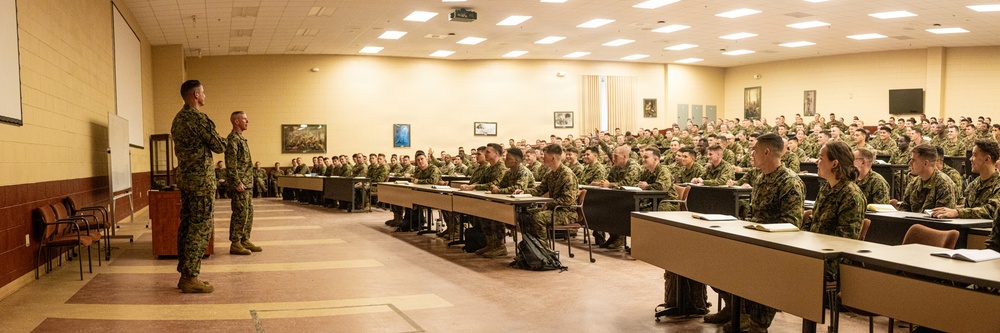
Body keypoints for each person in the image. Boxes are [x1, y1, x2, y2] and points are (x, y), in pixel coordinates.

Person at [705, 133, 804, 333]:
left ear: (767, 152)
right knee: (714, 263)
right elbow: (752, 213)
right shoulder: (760, 179)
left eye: (755, 150)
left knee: (755, 274)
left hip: (774, 248)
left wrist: (759, 232)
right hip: (752, 240)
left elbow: (792, 225)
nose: (751, 154)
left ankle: (755, 322)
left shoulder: (789, 182)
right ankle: (735, 310)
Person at [171, 80, 226, 293]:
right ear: (195, 94)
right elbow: (219, 146)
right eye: (203, 92)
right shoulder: (198, 119)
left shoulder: (178, 119)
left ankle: (185, 273)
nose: (205, 95)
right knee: (200, 227)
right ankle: (190, 277)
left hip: (186, 179)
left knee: (186, 226)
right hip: (201, 181)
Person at [805, 141, 865, 279]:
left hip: (832, 263)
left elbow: (845, 243)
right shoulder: (826, 188)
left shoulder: (851, 195)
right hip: (815, 252)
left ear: (834, 163)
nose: (817, 162)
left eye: (821, 158)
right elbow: (814, 224)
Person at [513, 144, 579, 242]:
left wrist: (549, 204)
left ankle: (543, 250)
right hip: (555, 209)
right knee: (524, 215)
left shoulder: (567, 175)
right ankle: (530, 246)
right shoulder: (550, 174)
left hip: (567, 212)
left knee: (538, 217)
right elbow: (539, 190)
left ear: (552, 158)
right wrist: (524, 192)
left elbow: (568, 200)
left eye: (544, 156)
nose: (542, 158)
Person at [930, 140, 1000, 219]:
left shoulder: (997, 184)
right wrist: (950, 210)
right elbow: (969, 207)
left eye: (974, 155)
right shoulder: (974, 184)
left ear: (987, 159)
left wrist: (958, 212)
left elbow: (993, 210)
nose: (970, 159)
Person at [488, 147, 536, 257]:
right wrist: (495, 187)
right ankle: (494, 245)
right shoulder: (509, 172)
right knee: (491, 211)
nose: (505, 160)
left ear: (517, 160)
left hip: (527, 206)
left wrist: (498, 190)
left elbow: (518, 188)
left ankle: (500, 247)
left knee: (497, 213)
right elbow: (502, 184)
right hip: (513, 204)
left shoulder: (523, 172)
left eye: (508, 158)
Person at [225, 111, 261, 256]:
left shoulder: (241, 139)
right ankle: (235, 243)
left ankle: (244, 239)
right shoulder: (233, 139)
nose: (248, 121)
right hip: (240, 184)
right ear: (236, 122)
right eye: (245, 119)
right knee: (239, 213)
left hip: (247, 183)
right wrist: (236, 182)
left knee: (248, 212)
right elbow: (231, 164)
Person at [596, 145, 640, 250]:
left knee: (616, 209)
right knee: (605, 207)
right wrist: (602, 183)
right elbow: (608, 180)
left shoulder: (633, 166)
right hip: (619, 197)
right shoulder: (615, 167)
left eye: (616, 156)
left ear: (624, 156)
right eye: (613, 156)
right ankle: (614, 236)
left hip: (633, 198)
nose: (613, 158)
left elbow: (628, 184)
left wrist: (610, 185)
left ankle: (620, 237)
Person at [890, 144, 956, 212]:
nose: (910, 163)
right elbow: (904, 210)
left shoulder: (944, 184)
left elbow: (941, 217)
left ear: (925, 163)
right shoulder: (914, 183)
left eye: (913, 160)